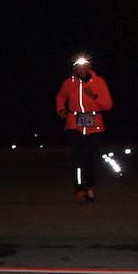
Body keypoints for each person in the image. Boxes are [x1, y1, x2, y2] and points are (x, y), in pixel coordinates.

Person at [55, 58, 112, 203]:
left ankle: (89, 187)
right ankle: (79, 190)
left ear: (89, 67)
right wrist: (61, 110)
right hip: (75, 124)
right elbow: (60, 97)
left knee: (91, 158)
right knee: (79, 157)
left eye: (84, 66)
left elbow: (108, 105)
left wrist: (94, 97)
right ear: (74, 69)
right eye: (78, 67)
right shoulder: (68, 83)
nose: (82, 70)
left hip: (94, 125)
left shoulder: (98, 82)